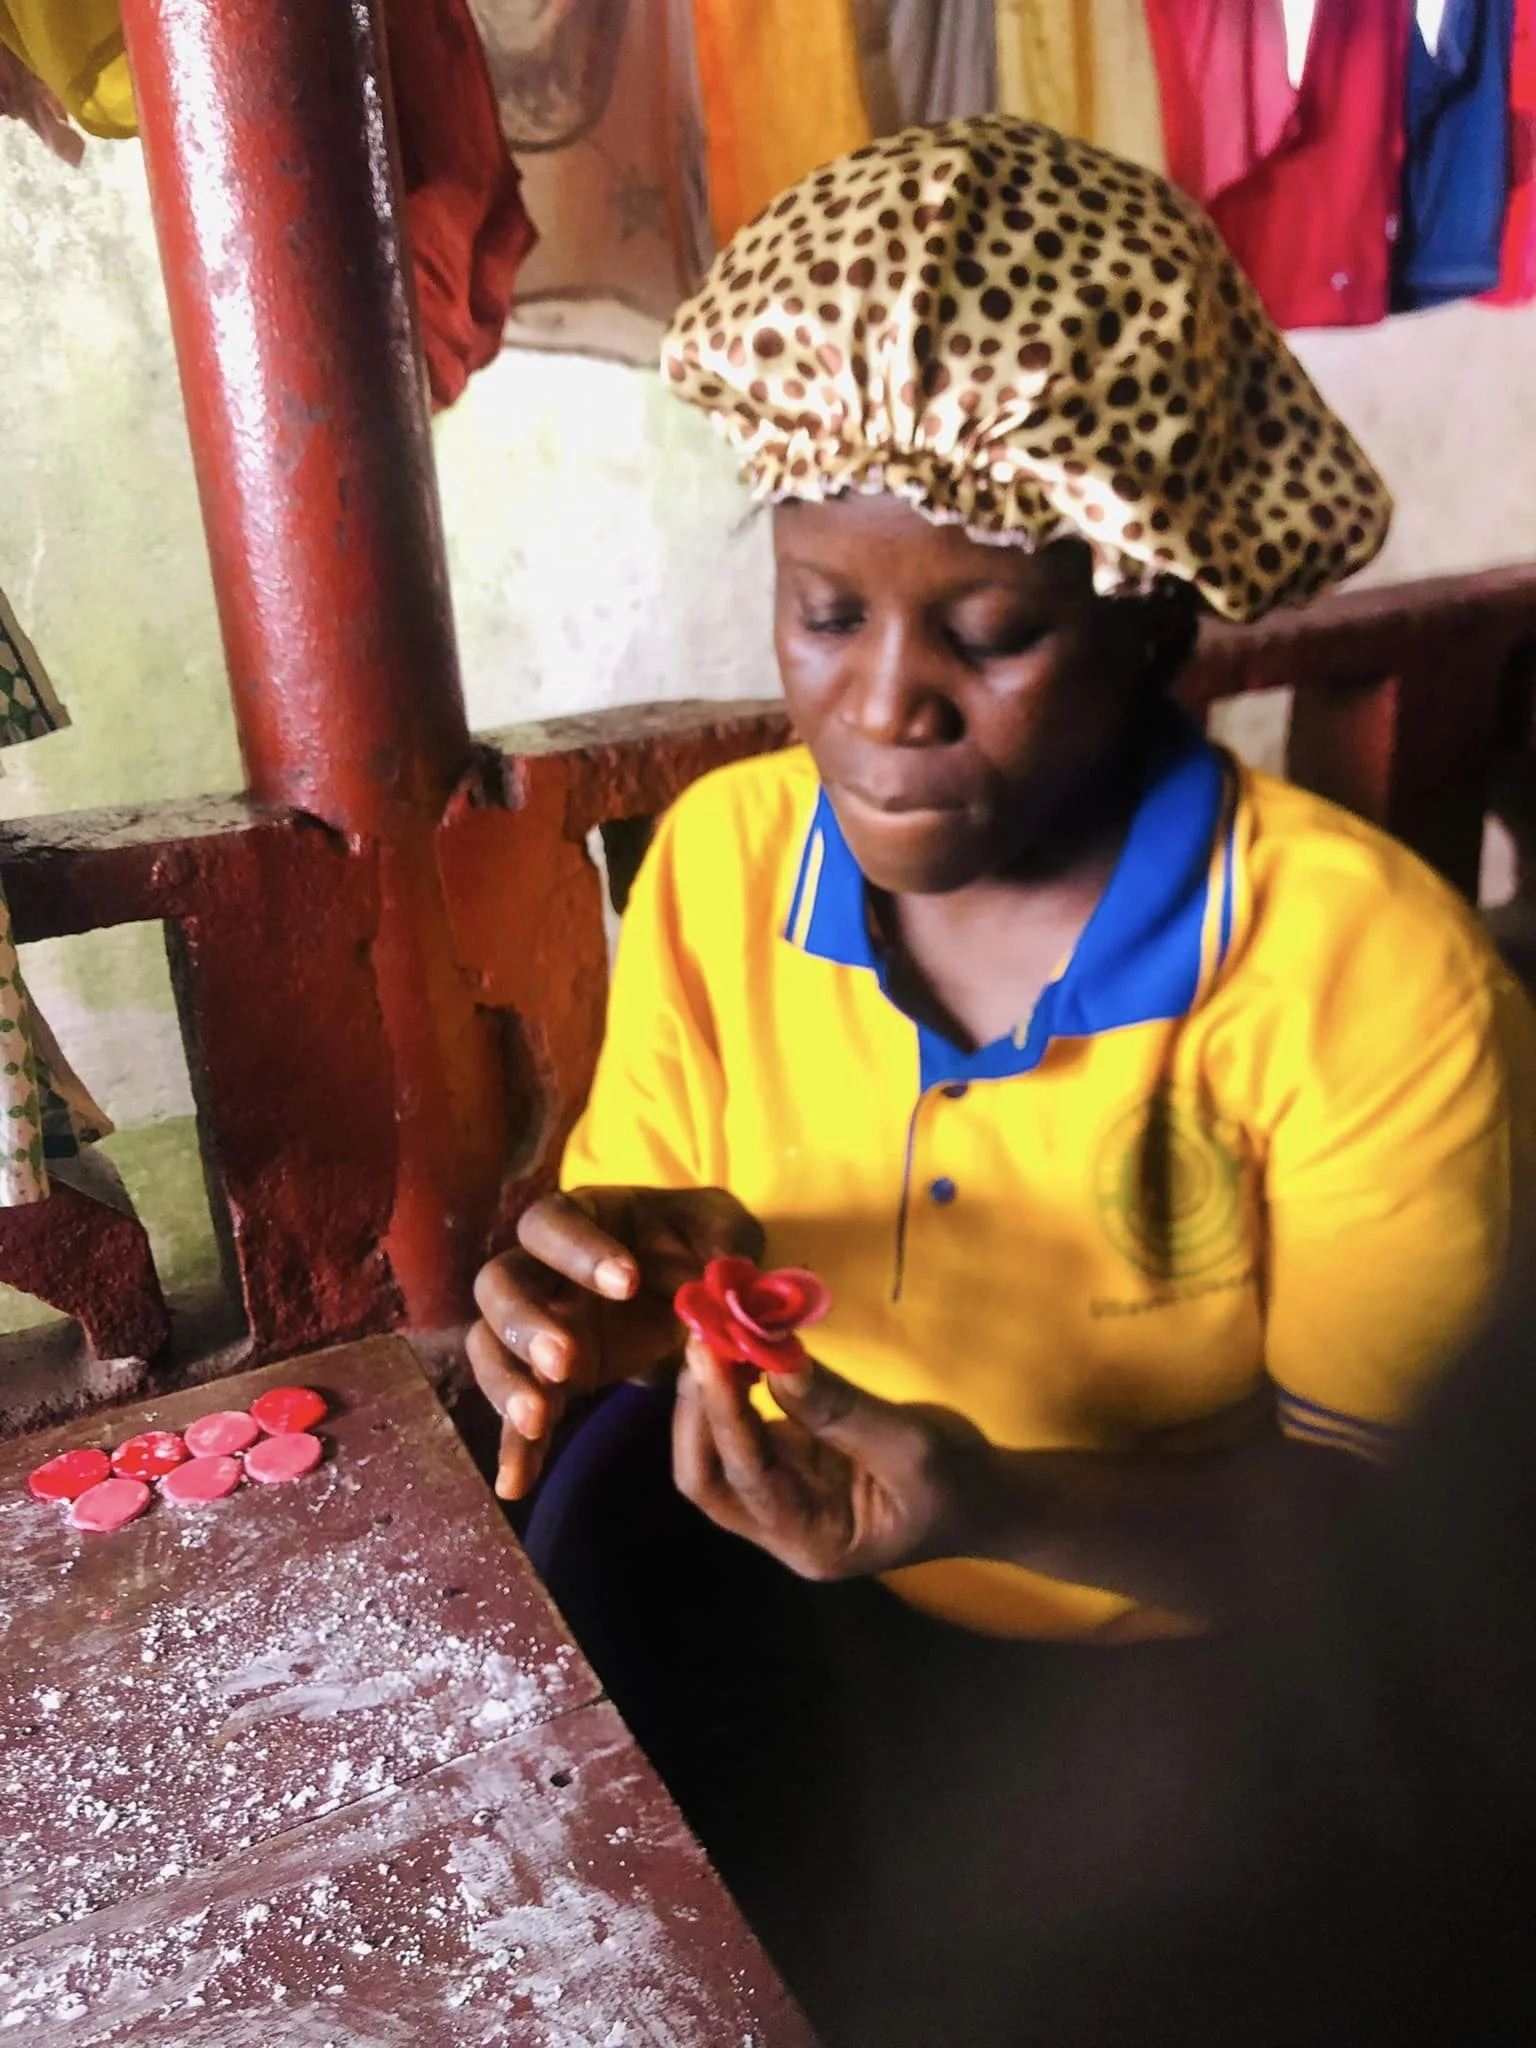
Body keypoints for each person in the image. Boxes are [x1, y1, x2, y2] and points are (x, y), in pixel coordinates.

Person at [467, 115, 1536, 2030]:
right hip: (802, 1617)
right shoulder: (726, 860)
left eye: (991, 633)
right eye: (828, 614)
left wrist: (996, 1506)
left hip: (1206, 1692)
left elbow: (1399, 1548)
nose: (884, 709)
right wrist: (609, 1299)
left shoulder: (1371, 984)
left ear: (1157, 626)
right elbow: (670, 1269)